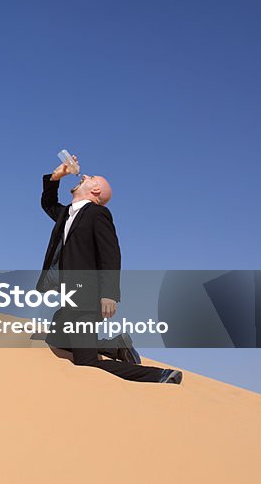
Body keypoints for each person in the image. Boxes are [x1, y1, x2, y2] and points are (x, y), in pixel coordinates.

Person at [33, 154, 182, 384]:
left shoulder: (98, 214)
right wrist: (55, 177)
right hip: (70, 298)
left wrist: (109, 294)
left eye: (90, 177)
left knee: (86, 361)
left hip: (87, 300)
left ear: (96, 192)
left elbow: (111, 254)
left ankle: (160, 375)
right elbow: (48, 203)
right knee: (56, 339)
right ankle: (116, 347)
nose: (83, 175)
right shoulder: (67, 214)